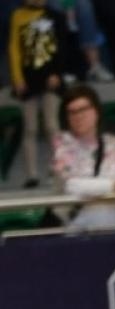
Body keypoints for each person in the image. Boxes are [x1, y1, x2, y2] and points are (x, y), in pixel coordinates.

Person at [50, 83, 115, 230]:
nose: (78, 116)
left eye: (83, 109)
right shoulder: (61, 143)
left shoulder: (113, 143)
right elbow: (72, 185)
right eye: (72, 112)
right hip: (74, 231)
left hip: (112, 229)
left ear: (96, 111)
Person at [8, 0, 71, 188]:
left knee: (52, 124)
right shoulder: (18, 15)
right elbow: (14, 48)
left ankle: (59, 168)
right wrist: (17, 78)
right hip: (28, 79)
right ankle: (31, 174)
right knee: (30, 127)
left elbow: (63, 45)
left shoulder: (55, 16)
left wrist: (57, 72)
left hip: (51, 77)